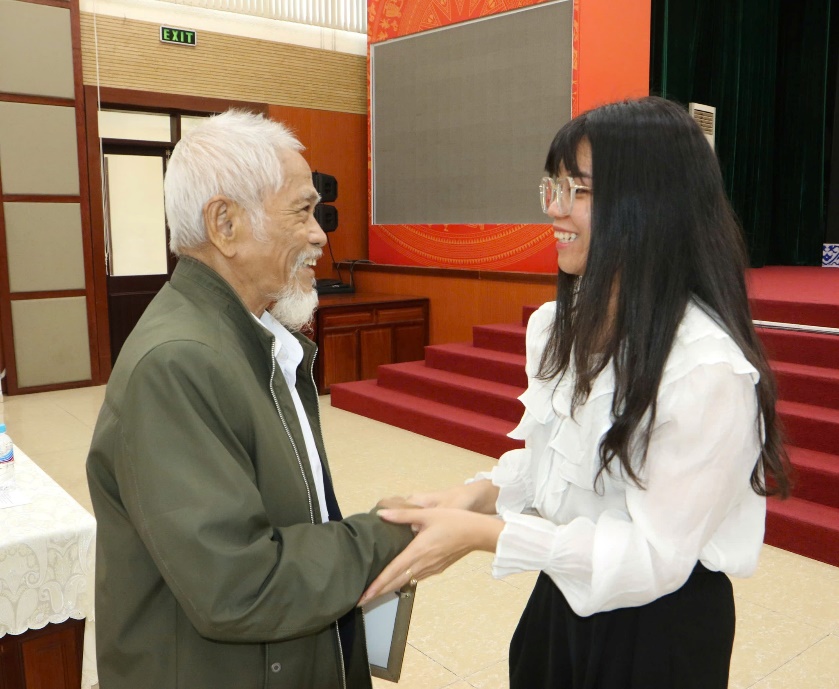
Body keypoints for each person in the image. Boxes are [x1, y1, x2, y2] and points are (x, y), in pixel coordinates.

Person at [359, 96, 790, 689]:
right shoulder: (557, 326)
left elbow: (651, 559)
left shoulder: (705, 369)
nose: (554, 210)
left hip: (658, 631)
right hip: (564, 592)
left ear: (650, 205)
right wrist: (471, 498)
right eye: (553, 187)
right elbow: (554, 471)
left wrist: (487, 535)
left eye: (578, 191)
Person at [86, 110, 413, 689]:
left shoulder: (257, 337)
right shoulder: (178, 364)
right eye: (302, 212)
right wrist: (385, 537)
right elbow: (239, 586)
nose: (319, 235)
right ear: (225, 224)